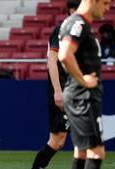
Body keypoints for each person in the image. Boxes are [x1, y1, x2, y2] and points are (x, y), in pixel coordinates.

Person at [58, 0, 111, 168]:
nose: (108, 8)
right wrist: (83, 80)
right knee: (96, 151)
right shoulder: (78, 23)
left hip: (79, 96)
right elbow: (65, 55)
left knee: (81, 151)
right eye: (105, 3)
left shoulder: (79, 23)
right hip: (83, 97)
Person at [31, 0, 80, 168]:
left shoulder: (81, 34)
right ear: (72, 11)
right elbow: (51, 61)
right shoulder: (61, 30)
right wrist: (58, 91)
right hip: (62, 91)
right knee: (57, 141)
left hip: (76, 92)